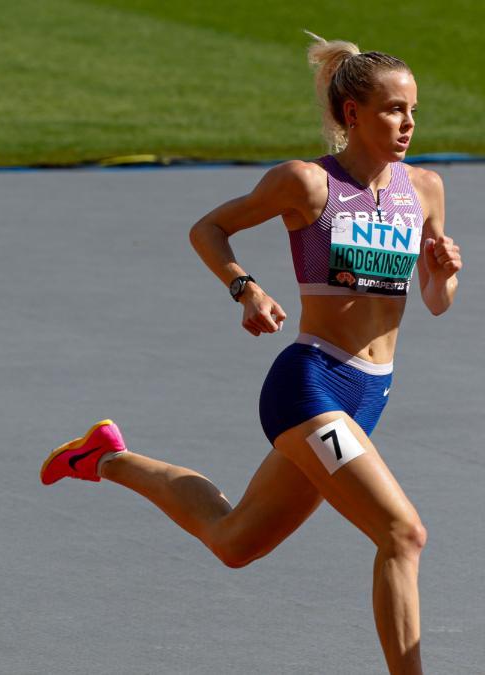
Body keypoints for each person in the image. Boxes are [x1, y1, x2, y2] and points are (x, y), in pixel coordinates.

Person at [40, 33, 460, 675]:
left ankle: (106, 459)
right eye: (392, 110)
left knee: (235, 542)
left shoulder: (425, 188)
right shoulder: (308, 183)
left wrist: (443, 270)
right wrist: (246, 288)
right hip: (310, 386)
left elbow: (436, 300)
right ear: (353, 114)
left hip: (370, 393)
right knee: (403, 534)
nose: (407, 124)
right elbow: (208, 228)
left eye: (412, 110)